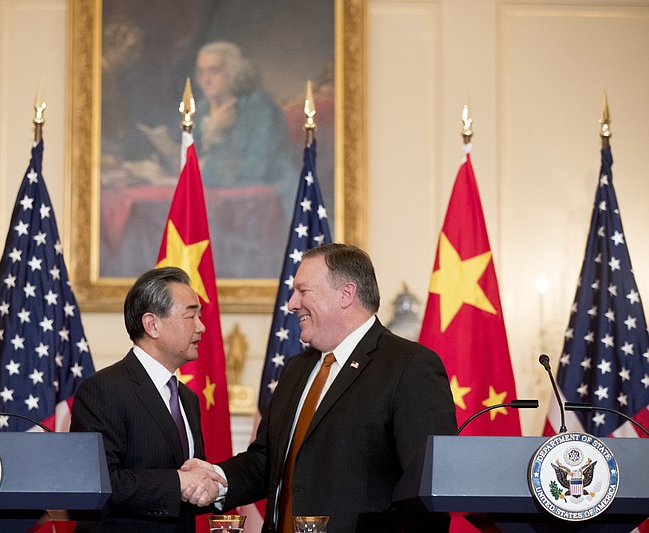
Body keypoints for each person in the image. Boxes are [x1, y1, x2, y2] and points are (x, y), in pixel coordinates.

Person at [184, 244, 457, 532]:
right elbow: (268, 460)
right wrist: (216, 476)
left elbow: (426, 492)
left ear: (346, 294)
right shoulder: (295, 369)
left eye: (302, 291)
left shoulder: (409, 366)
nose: (291, 303)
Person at [70, 267, 225, 532]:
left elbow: (191, 484)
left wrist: (210, 486)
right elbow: (96, 482)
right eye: (191, 316)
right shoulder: (103, 389)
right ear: (152, 324)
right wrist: (178, 483)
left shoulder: (187, 398)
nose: (202, 327)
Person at [193, 41, 297, 278]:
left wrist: (204, 168)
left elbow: (256, 168)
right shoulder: (200, 110)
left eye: (214, 70)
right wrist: (211, 131)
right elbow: (186, 165)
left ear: (233, 72)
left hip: (272, 199)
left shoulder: (259, 107)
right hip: (219, 205)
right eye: (201, 72)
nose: (206, 79)